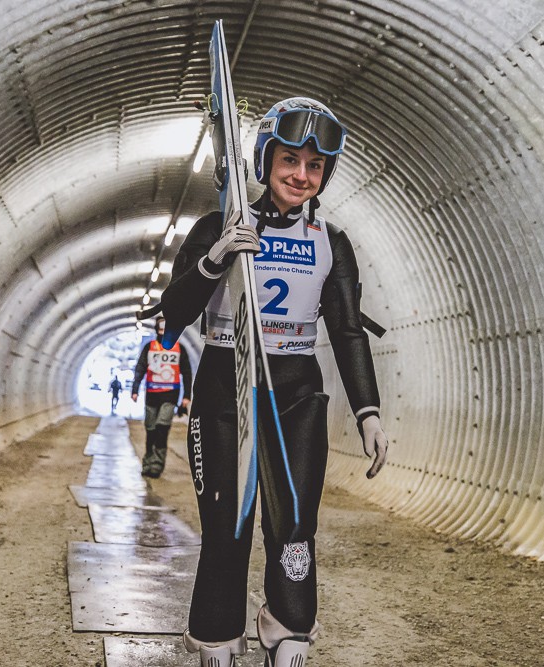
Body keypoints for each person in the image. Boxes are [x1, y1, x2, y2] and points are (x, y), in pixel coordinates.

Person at [150, 97, 388, 667]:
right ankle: (216, 634)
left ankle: (287, 623)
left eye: (315, 166)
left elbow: (347, 331)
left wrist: (368, 412)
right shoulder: (217, 226)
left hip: (296, 396)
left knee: (295, 527)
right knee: (227, 528)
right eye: (290, 160)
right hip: (224, 391)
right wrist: (215, 259)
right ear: (265, 160)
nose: (301, 175)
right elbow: (171, 319)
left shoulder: (331, 241)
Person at [131, 317, 192, 478]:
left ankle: (157, 464)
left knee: (161, 428)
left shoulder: (179, 349)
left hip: (170, 395)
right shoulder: (150, 347)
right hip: (151, 395)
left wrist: (186, 396)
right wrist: (135, 389)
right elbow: (140, 368)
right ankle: (148, 462)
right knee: (151, 429)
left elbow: (186, 372)